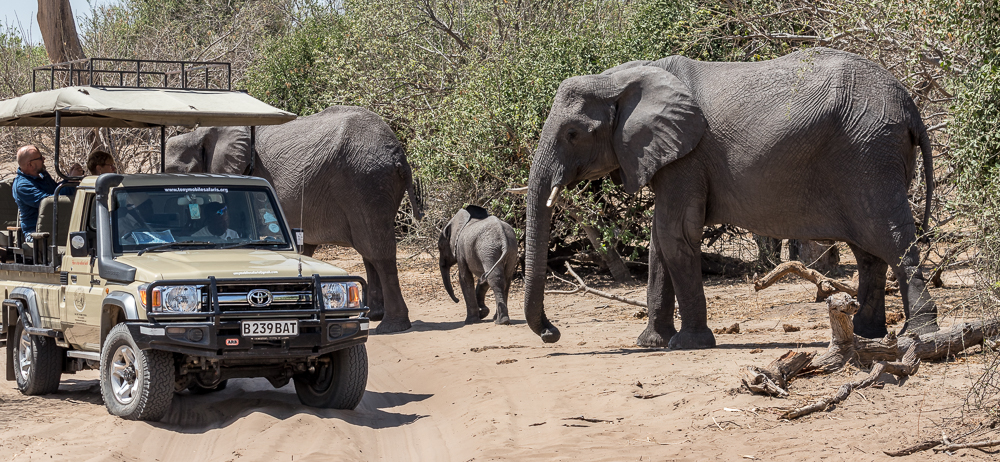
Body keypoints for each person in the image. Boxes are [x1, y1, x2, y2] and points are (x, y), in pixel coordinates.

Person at [12, 145, 83, 242]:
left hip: (57, 226)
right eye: (40, 158)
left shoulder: (42, 174)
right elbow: (50, 204)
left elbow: (56, 190)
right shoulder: (22, 186)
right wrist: (71, 182)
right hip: (37, 234)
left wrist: (69, 178)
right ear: (30, 165)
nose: (44, 159)